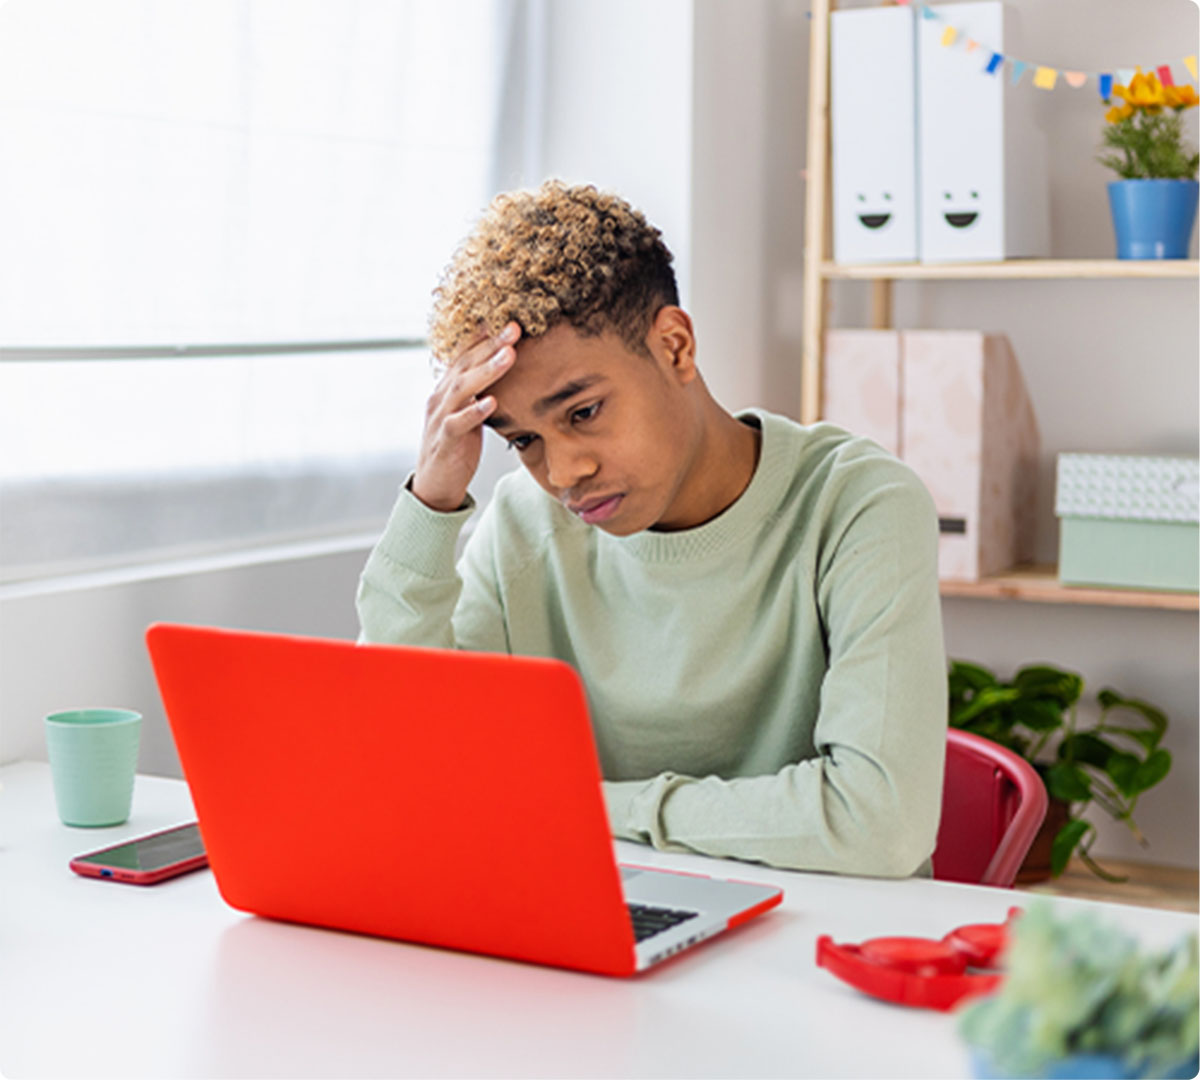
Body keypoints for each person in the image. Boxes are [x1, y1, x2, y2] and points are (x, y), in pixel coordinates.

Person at [357, 179, 947, 877]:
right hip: (598, 917)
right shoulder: (524, 522)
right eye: (523, 441)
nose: (563, 472)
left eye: (582, 413)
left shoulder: (856, 505)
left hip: (815, 931)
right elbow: (409, 764)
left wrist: (593, 808)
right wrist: (430, 502)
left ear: (674, 347)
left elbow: (878, 822)